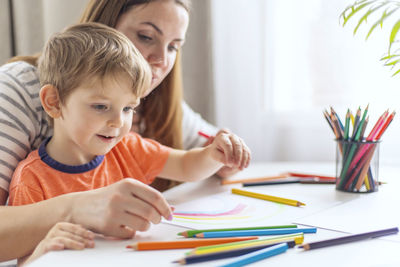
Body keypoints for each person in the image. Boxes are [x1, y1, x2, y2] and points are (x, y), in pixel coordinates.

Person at [0, 0, 250, 261]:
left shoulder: (132, 126)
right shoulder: (19, 93)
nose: (162, 61)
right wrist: (76, 208)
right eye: (145, 36)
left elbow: (198, 154)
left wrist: (222, 155)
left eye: (174, 46)